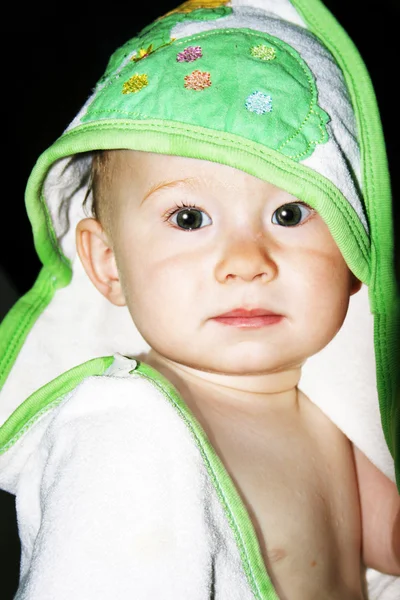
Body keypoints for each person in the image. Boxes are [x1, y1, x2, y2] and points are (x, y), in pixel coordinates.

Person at [0, 1, 399, 598]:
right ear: (108, 261)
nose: (246, 262)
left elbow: (386, 548)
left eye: (288, 213)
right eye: (189, 217)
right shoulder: (125, 430)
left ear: (353, 250)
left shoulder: (333, 417)